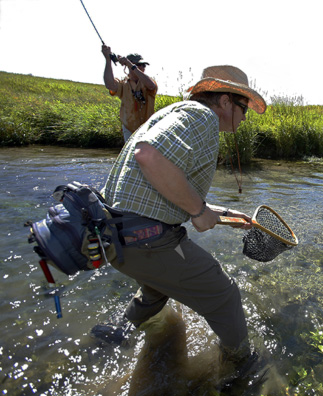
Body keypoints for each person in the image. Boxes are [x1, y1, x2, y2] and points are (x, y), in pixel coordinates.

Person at [95, 65, 267, 368]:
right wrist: (199, 211)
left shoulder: (177, 112)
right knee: (224, 296)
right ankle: (241, 368)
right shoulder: (202, 117)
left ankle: (116, 333)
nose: (245, 116)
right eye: (244, 108)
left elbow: (164, 184)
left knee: (157, 287)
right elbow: (148, 156)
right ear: (226, 101)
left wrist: (220, 211)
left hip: (117, 236)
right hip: (145, 239)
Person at [102, 45, 158, 141]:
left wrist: (130, 65)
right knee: (132, 154)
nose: (143, 67)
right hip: (129, 128)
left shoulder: (147, 81)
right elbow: (110, 85)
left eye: (143, 65)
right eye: (140, 65)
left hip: (148, 127)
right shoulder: (123, 84)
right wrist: (108, 59)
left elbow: (151, 86)